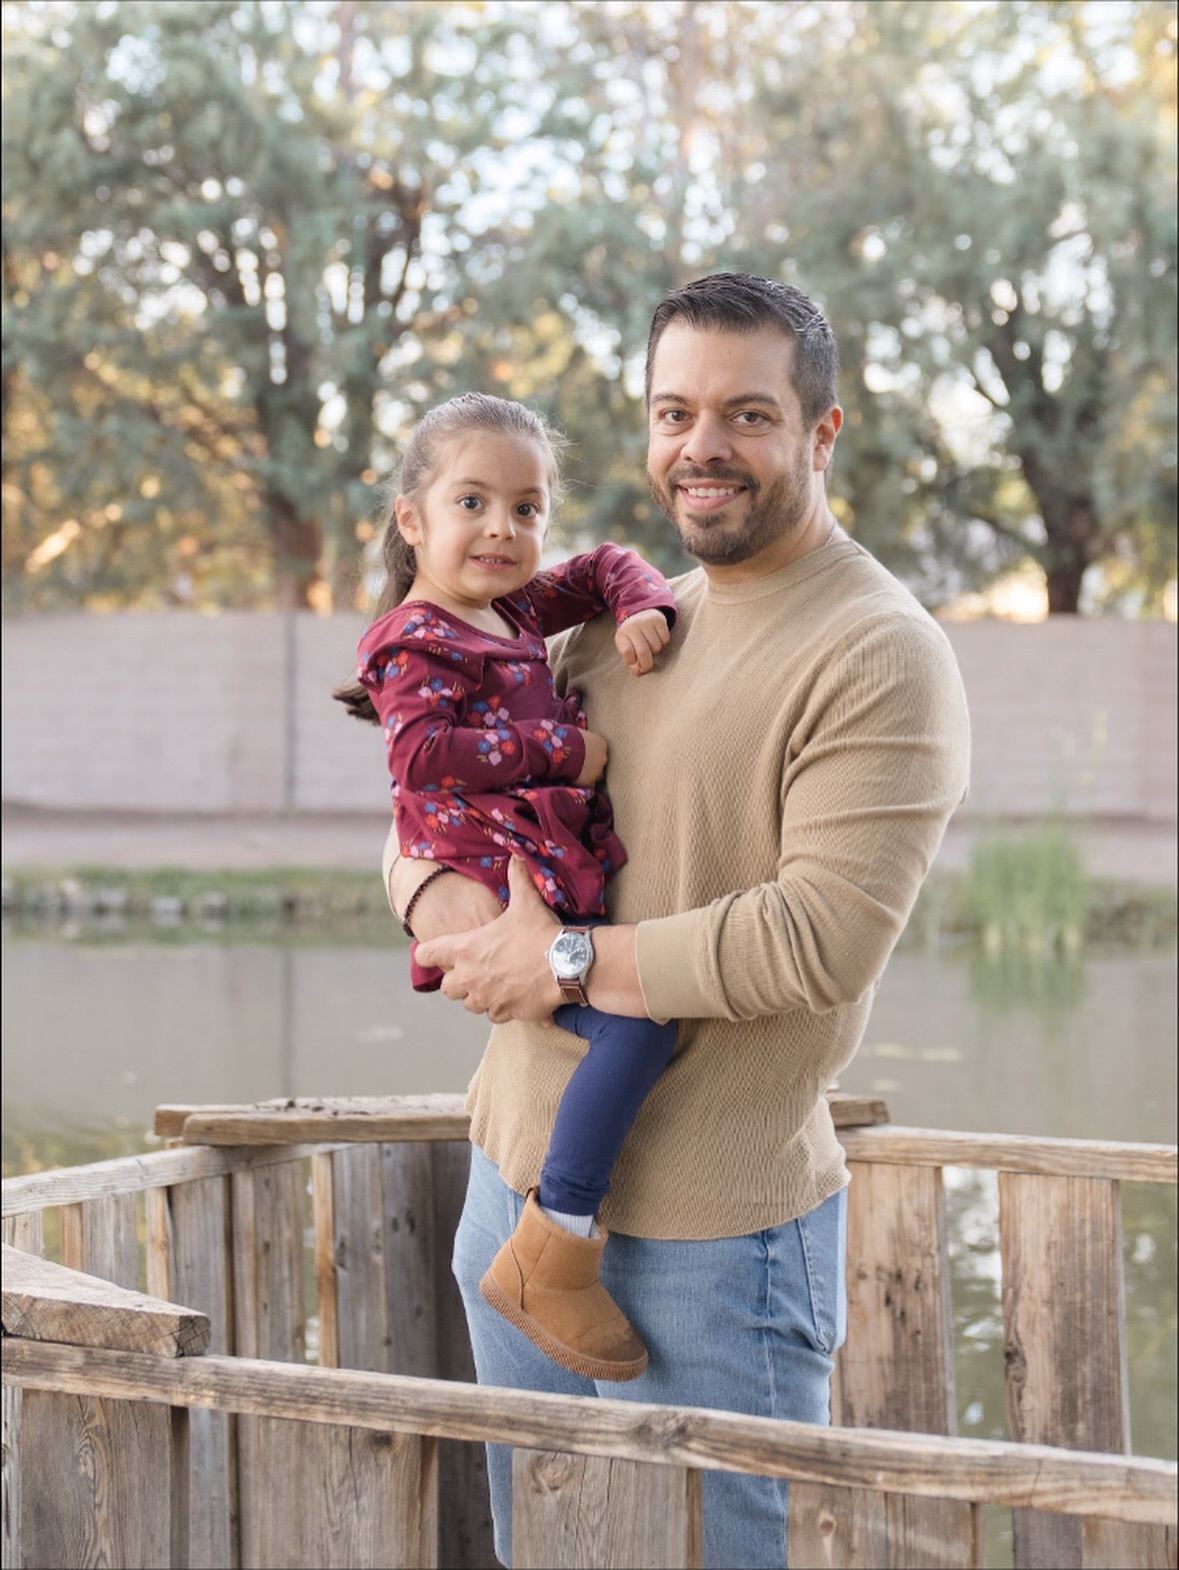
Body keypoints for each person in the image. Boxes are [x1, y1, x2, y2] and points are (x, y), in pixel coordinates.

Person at [391, 273, 972, 1570]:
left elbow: (815, 933)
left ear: (820, 433)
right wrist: (446, 914)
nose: (698, 444)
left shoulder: (878, 650)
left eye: (744, 413)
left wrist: (561, 956)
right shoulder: (610, 624)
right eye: (672, 410)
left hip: (707, 1246)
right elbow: (423, 807)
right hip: (506, 1194)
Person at [335, 391, 680, 1383]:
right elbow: (426, 755)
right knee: (639, 1023)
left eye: (526, 508)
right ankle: (554, 1245)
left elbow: (606, 560)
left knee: (634, 1023)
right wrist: (566, 748)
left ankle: (554, 1239)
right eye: (474, 502)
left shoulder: (517, 606)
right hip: (498, 878)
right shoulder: (414, 640)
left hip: (533, 872)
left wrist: (644, 600)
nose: (502, 528)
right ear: (413, 518)